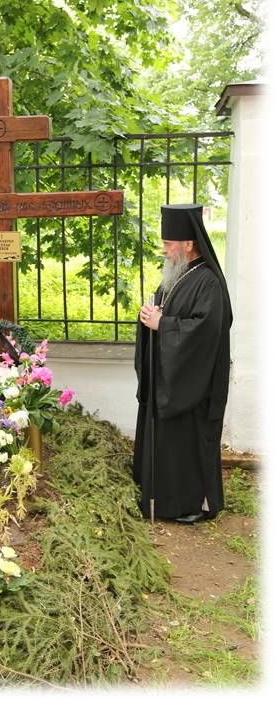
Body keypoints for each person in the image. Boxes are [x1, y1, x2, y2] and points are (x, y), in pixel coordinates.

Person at [133, 204, 232, 524]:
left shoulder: (209, 283)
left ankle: (186, 504)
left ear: (188, 244)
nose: (164, 250)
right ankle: (160, 499)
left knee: (185, 446)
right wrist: (148, 318)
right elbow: (162, 312)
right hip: (167, 380)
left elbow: (205, 332)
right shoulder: (176, 274)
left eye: (168, 244)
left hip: (192, 386)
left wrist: (163, 325)